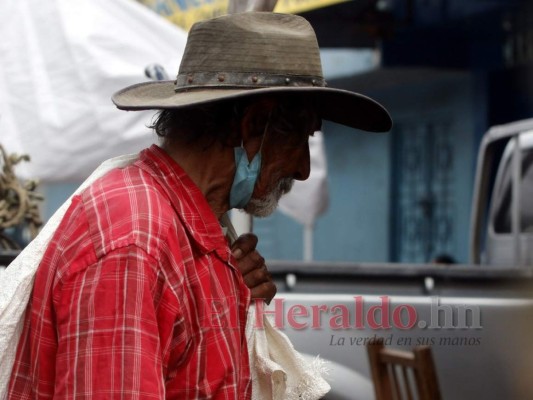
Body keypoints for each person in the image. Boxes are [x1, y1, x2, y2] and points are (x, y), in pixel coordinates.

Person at [7, 11, 391, 399]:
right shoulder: (133, 241)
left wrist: (231, 296)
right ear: (254, 124)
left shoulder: (185, 231)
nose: (303, 169)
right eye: (299, 139)